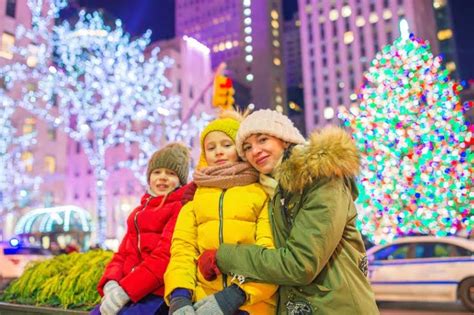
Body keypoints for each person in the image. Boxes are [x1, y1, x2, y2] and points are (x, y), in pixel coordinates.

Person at [198, 109, 379, 315]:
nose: (255, 151)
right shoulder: (274, 190)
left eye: (263, 139)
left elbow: (300, 264)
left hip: (337, 307)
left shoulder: (321, 179)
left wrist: (224, 256)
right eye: (247, 147)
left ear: (284, 140)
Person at [164, 110, 278, 315]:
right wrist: (179, 296)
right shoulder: (195, 197)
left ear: (241, 149)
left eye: (227, 145)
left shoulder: (261, 192)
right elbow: (183, 250)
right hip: (202, 303)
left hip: (252, 304)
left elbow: (269, 253)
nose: (218, 152)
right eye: (211, 147)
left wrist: (235, 295)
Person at [92, 143, 192, 315]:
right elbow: (122, 254)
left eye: (171, 173)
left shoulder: (180, 208)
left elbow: (164, 257)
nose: (162, 177)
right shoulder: (138, 213)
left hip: (157, 292)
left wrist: (125, 290)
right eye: (157, 172)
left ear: (180, 181)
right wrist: (111, 282)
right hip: (129, 289)